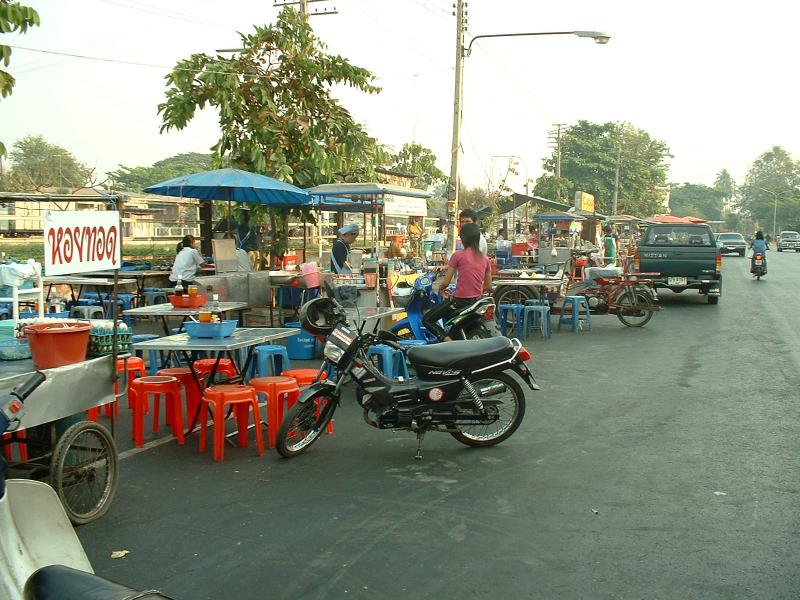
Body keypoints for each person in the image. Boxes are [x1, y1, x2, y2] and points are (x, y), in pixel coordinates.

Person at [423, 223, 491, 341]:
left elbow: (446, 281)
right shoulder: (485, 258)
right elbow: (488, 285)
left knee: (427, 319)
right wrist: (477, 290)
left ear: (463, 239)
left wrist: (441, 288)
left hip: (459, 302)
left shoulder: (458, 256)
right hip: (476, 302)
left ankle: (446, 339)